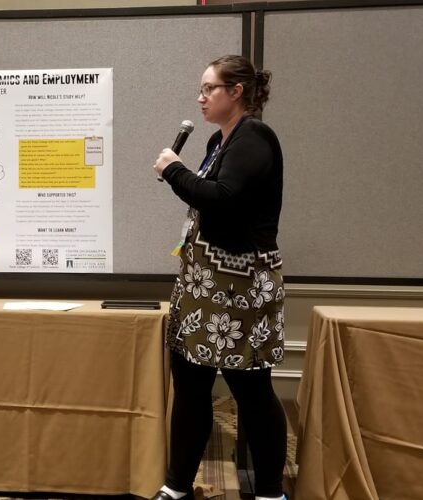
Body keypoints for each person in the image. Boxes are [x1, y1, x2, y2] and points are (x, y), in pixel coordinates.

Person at [151, 55, 287, 500]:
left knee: (251, 391)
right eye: (202, 88)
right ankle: (176, 487)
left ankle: (269, 492)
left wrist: (173, 169)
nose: (201, 96)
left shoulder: (255, 137)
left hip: (239, 287)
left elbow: (223, 199)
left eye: (210, 88)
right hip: (205, 284)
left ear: (237, 92)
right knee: (189, 386)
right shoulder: (218, 139)